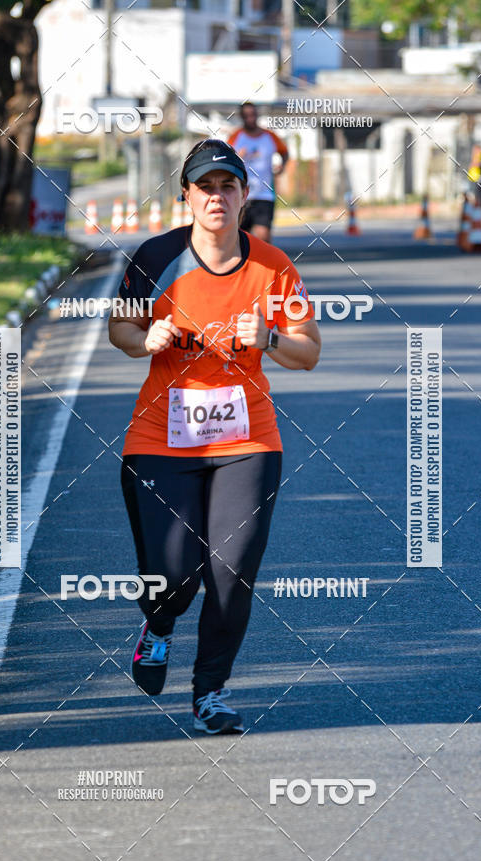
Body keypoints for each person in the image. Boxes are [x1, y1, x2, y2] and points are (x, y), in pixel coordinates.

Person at [108, 138, 321, 735]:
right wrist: (144, 340)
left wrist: (270, 339)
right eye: (205, 187)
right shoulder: (156, 256)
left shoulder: (273, 267)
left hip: (247, 443)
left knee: (232, 571)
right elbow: (120, 329)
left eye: (228, 186)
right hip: (160, 441)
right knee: (174, 577)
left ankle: (211, 691)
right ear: (187, 195)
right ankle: (159, 623)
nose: (217, 197)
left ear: (245, 194)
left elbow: (309, 352)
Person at [228, 102, 289, 243]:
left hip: (264, 194)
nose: (250, 118)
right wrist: (237, 156)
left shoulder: (269, 136)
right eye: (246, 115)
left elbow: (285, 152)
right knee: (239, 239)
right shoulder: (236, 137)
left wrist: (282, 166)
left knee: (263, 237)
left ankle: (264, 258)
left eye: (253, 115)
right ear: (242, 117)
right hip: (240, 195)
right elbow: (225, 158)